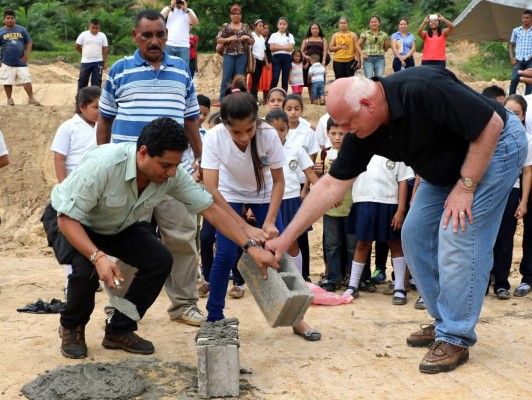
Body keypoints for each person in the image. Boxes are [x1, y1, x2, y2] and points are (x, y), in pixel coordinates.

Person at [266, 68, 528, 373]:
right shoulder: (361, 129)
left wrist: (466, 187)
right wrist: (285, 240)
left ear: (368, 104)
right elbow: (329, 186)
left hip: (495, 145)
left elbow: (491, 124)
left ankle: (455, 336)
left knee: (459, 232)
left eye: (349, 123)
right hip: (442, 165)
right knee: (414, 234)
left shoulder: (423, 88)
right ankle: (443, 320)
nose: (346, 131)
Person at [42, 117, 278, 359]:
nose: (172, 172)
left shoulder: (172, 174)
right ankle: (72, 326)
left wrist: (250, 247)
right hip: (71, 221)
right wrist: (98, 256)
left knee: (159, 260)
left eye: (176, 165)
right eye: (166, 165)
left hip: (117, 223)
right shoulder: (104, 165)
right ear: (143, 153)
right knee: (85, 270)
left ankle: (119, 328)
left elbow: (211, 209)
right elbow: (66, 219)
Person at [97, 10, 206, 327]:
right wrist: (105, 161)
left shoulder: (182, 71)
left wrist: (201, 160)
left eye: (160, 35)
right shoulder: (119, 71)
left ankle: (184, 305)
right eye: (147, 35)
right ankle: (121, 307)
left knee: (183, 239)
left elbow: (191, 121)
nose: (155, 41)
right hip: (129, 176)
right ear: (135, 36)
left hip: (175, 175)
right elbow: (105, 119)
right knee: (126, 244)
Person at [202, 76, 320, 341]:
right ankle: (214, 317)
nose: (244, 137)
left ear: (257, 122)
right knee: (225, 253)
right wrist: (242, 225)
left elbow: (279, 181)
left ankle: (296, 317)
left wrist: (269, 221)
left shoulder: (267, 134)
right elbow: (211, 188)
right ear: (225, 126)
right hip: (228, 194)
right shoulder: (213, 138)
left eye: (249, 130)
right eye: (236, 132)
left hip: (266, 193)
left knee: (277, 250)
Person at [343, 155, 414, 305]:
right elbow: (346, 176)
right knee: (362, 243)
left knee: (395, 243)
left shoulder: (396, 150)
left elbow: (403, 180)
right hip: (363, 201)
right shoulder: (360, 148)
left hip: (389, 203)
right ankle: (353, 285)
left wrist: (401, 209)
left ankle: (400, 287)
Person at [51, 86, 101, 296]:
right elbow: (59, 158)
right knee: (72, 238)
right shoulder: (68, 127)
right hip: (74, 189)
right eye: (95, 107)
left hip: (98, 190)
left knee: (95, 236)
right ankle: (71, 281)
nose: (99, 111)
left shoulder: (104, 127)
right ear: (82, 107)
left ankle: (93, 277)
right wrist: (64, 187)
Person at [265, 109, 319, 275]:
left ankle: (298, 278)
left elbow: (309, 172)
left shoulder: (296, 149)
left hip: (291, 200)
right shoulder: (261, 150)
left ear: (288, 129)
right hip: (268, 201)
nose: (278, 134)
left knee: (292, 242)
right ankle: (272, 279)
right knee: (268, 242)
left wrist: (324, 192)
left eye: (282, 129)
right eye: (273, 130)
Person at [491, 94, 532, 300]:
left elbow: (527, 172)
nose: (513, 117)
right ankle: (482, 282)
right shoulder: (491, 134)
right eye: (508, 112)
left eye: (517, 113)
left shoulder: (527, 140)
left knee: (505, 238)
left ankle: (501, 283)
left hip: (511, 192)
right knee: (486, 238)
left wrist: (523, 201)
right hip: (490, 191)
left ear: (524, 116)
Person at [313, 118, 355, 292]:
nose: (337, 137)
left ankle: (354, 279)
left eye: (341, 134)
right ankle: (333, 278)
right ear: (327, 134)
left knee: (352, 245)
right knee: (332, 244)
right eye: (333, 133)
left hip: (351, 206)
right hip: (330, 208)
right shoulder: (323, 154)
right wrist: (320, 173)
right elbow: (319, 181)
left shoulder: (354, 153)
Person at [0, 9, 40, 106]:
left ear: (15, 19)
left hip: (21, 61)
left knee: (26, 79)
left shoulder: (21, 29)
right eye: (8, 18)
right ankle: (9, 100)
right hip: (6, 61)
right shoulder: (1, 31)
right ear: (4, 19)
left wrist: (27, 54)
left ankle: (31, 99)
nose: (10, 20)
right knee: (7, 81)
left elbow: (29, 42)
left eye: (12, 18)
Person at [215, 4, 254, 104]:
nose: (235, 15)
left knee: (240, 77)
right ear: (230, 15)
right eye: (233, 14)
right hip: (228, 54)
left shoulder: (245, 26)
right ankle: (222, 99)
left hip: (242, 55)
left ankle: (240, 99)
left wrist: (247, 38)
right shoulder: (225, 26)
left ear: (241, 15)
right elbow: (218, 39)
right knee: (226, 77)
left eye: (238, 14)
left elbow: (252, 41)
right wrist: (228, 39)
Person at [161, 0, 199, 66]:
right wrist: (170, 7)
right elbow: (159, 19)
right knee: (166, 69)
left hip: (183, 45)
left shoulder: (189, 11)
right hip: (168, 44)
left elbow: (196, 23)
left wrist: (186, 9)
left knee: (183, 69)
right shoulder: (168, 9)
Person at [75, 19, 108, 90]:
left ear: (99, 27)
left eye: (97, 28)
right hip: (85, 62)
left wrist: (104, 62)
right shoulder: (83, 35)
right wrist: (82, 53)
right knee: (82, 82)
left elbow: (105, 49)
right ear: (89, 27)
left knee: (96, 83)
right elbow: (77, 46)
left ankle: (95, 100)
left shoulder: (102, 36)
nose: (95, 30)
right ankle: (80, 100)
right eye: (92, 28)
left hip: (98, 62)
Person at [301, 23, 329, 99]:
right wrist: (305, 56)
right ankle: (312, 98)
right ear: (310, 30)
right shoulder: (306, 39)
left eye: (316, 28)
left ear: (319, 29)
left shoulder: (323, 39)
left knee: (320, 79)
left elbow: (325, 51)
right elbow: (302, 51)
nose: (314, 30)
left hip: (319, 62)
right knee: (309, 80)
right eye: (313, 29)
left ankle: (321, 97)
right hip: (308, 62)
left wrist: (323, 60)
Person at [268, 17, 295, 92]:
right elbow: (272, 48)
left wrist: (277, 46)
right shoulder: (274, 35)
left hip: (287, 57)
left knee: (285, 78)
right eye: (280, 24)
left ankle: (284, 95)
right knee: (275, 77)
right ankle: (272, 93)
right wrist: (285, 47)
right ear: (277, 25)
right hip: (276, 57)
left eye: (284, 24)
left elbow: (290, 48)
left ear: (287, 25)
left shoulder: (290, 35)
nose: (282, 26)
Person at [509, 10, 532, 95]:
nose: (525, 19)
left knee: (529, 82)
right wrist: (512, 57)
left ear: (531, 19)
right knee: (514, 81)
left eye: (527, 18)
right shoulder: (516, 30)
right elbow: (511, 45)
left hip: (530, 60)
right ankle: (510, 102)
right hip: (518, 60)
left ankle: (528, 102)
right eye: (523, 17)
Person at [249, 19, 268, 101]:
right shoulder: (252, 35)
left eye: (262, 26)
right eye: (260, 26)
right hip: (254, 60)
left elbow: (264, 51)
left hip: (260, 61)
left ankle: (254, 97)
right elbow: (249, 48)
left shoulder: (262, 38)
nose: (261, 28)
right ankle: (253, 98)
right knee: (255, 79)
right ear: (255, 26)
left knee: (257, 80)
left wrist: (266, 62)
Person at [256, 22, 272, 105]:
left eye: (267, 28)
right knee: (256, 83)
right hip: (257, 62)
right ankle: (256, 100)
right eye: (264, 28)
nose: (265, 30)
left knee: (267, 84)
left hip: (268, 63)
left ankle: (266, 102)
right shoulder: (257, 38)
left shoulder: (271, 39)